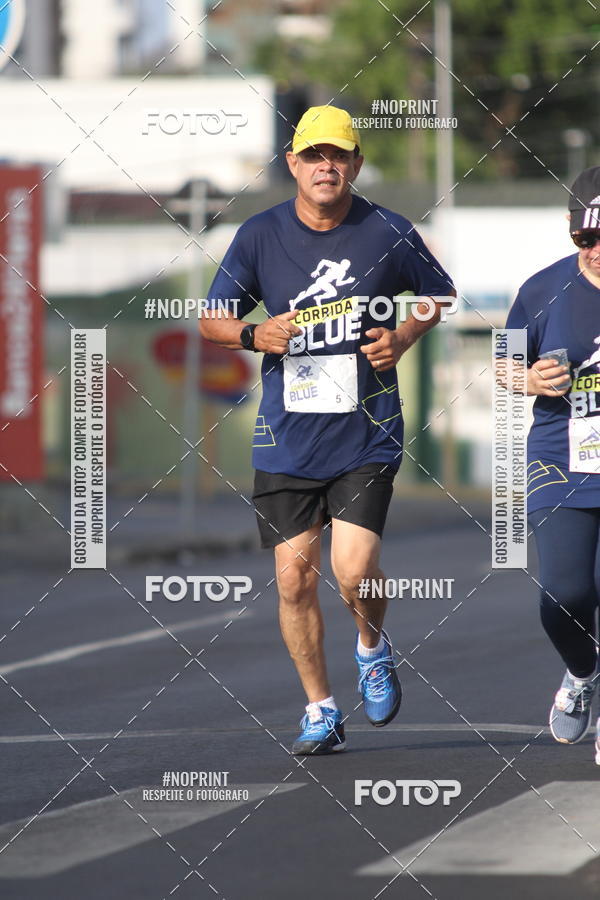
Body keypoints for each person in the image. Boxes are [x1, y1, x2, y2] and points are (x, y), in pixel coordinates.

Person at [201, 105, 454, 755]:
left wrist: (402, 335)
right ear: (292, 163)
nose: (325, 166)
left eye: (337, 156)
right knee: (291, 579)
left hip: (366, 433)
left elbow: (441, 293)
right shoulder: (259, 235)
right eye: (313, 155)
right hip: (288, 436)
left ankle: (370, 646)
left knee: (353, 567)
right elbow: (212, 319)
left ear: (356, 165)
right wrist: (254, 332)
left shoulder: (386, 231)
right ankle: (320, 708)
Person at [506, 166, 600, 759]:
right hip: (562, 459)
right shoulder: (542, 291)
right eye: (585, 239)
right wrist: (529, 377)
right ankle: (582, 674)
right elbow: (501, 365)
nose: (596, 251)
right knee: (564, 593)